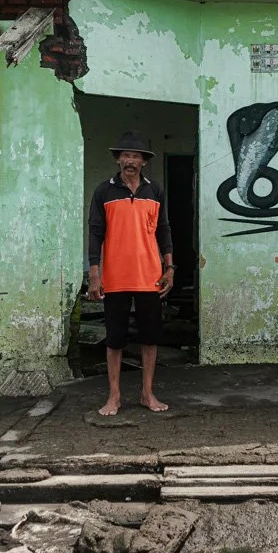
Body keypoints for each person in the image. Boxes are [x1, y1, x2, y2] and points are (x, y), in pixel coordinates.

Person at [87, 130, 175, 416]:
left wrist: (169, 267)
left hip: (150, 276)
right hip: (115, 277)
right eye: (125, 155)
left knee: (150, 337)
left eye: (135, 156)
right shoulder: (104, 191)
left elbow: (163, 230)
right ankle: (114, 396)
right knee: (115, 338)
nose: (130, 161)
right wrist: (94, 273)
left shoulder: (155, 191)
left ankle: (147, 393)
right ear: (117, 160)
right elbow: (96, 233)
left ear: (144, 162)